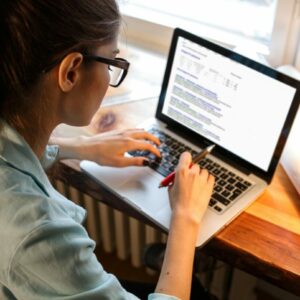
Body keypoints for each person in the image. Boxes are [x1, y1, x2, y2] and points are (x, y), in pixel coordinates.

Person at [0, 1, 215, 299]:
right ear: (71, 72)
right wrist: (185, 218)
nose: (111, 77)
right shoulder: (36, 232)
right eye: (113, 63)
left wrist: (83, 147)